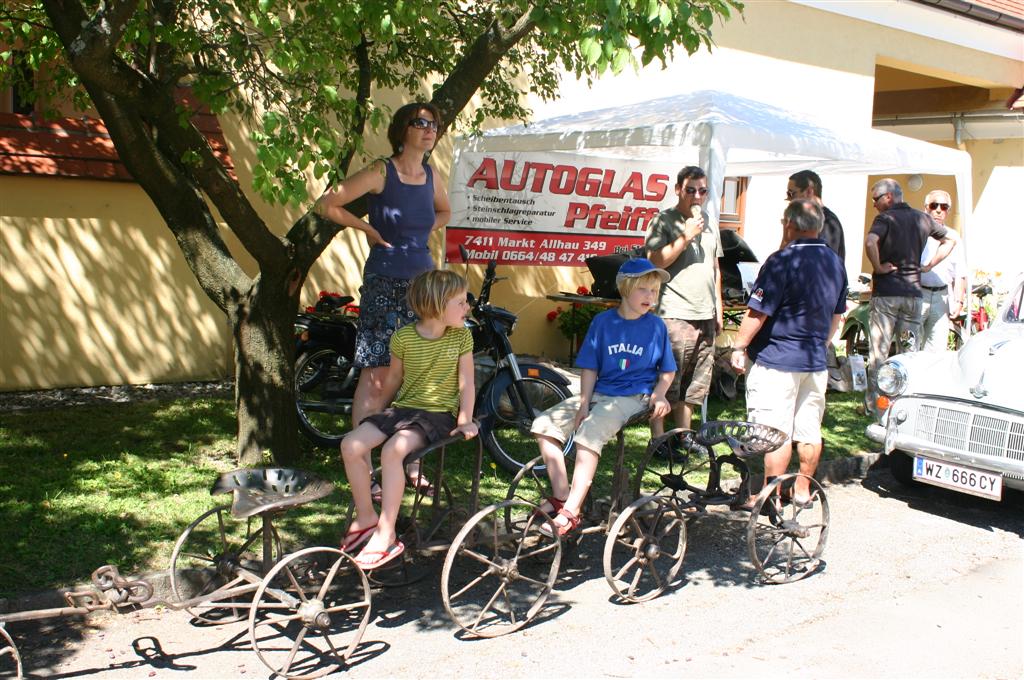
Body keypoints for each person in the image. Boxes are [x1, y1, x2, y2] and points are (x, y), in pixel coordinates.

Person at [315, 101, 451, 432]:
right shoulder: (382, 170)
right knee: (377, 371)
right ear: (401, 129)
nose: (429, 130)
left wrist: (418, 232)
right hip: (386, 281)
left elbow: (446, 212)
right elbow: (326, 204)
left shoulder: (430, 175)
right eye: (421, 123)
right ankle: (360, 453)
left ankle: (405, 457)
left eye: (434, 125)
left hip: (424, 287)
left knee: (415, 371)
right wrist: (370, 230)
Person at [339, 270, 477, 570]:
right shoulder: (403, 338)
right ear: (438, 305)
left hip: (438, 415)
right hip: (404, 410)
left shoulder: (462, 336)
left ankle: (387, 534)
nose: (467, 307)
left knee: (394, 450)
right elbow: (394, 380)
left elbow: (467, 382)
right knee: (351, 445)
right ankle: (366, 518)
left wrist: (465, 419)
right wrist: (380, 412)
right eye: (461, 302)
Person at [530, 259, 676, 537]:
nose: (650, 297)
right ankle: (562, 496)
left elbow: (667, 371)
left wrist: (659, 395)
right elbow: (590, 366)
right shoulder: (603, 322)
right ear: (624, 289)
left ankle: (572, 511)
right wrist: (583, 401)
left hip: (634, 395)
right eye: (644, 290)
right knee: (544, 426)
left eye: (654, 291)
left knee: (589, 434)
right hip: (600, 391)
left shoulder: (656, 326)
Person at [730, 199, 847, 508]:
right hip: (814, 360)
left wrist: (739, 346)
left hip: (777, 359)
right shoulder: (835, 262)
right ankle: (803, 490)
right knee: (809, 429)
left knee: (775, 432)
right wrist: (822, 342)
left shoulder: (781, 261)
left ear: (790, 225)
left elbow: (758, 313)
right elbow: (838, 313)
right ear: (819, 226)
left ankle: (770, 497)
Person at [863, 178, 956, 411]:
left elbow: (871, 241)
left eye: (876, 199)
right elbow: (950, 240)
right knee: (909, 352)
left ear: (889, 197)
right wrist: (929, 265)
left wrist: (878, 266)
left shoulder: (885, 218)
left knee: (879, 350)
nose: (874, 204)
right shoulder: (922, 218)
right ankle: (905, 403)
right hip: (914, 295)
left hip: (887, 295)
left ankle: (875, 404)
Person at [645, 165, 723, 437]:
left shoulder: (711, 223)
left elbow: (714, 268)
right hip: (674, 313)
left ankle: (683, 436)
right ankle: (658, 439)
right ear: (678, 189)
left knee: (694, 385)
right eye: (690, 190)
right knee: (668, 382)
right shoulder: (664, 220)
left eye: (702, 191)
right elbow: (655, 261)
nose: (697, 196)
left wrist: (719, 309)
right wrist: (686, 235)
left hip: (705, 314)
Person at [919, 189, 967, 352]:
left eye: (944, 206)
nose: (938, 210)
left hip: (942, 297)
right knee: (910, 347)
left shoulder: (953, 236)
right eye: (934, 205)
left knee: (936, 349)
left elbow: (960, 273)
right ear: (926, 208)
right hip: (919, 294)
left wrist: (959, 301)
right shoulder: (917, 232)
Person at [782, 170, 845, 261]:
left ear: (809, 192)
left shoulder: (827, 222)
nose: (788, 199)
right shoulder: (807, 220)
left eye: (791, 194)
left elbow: (824, 262)